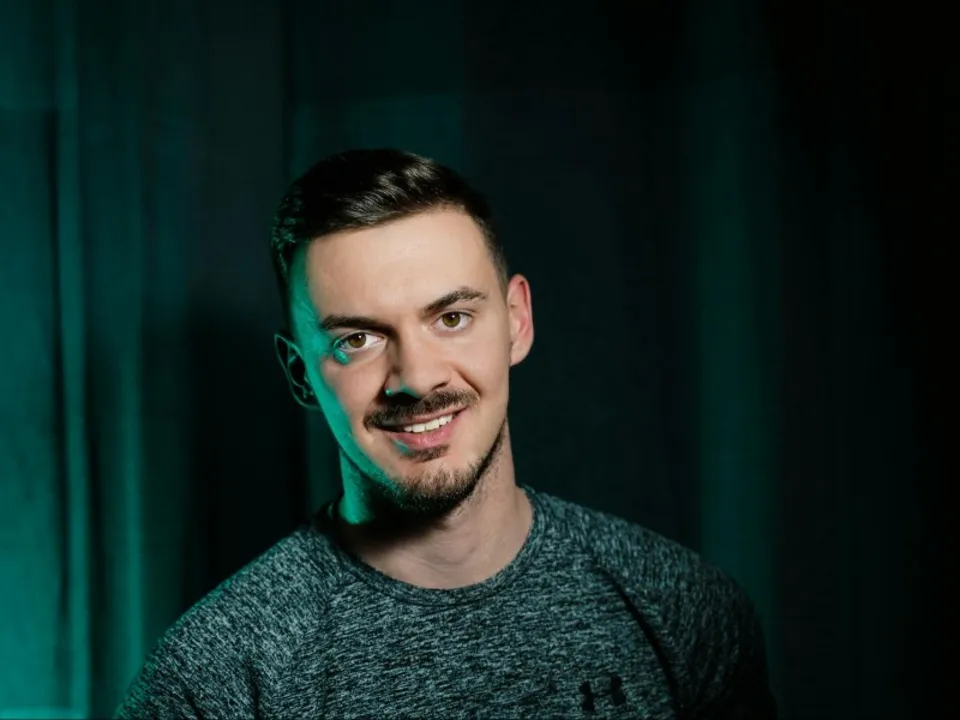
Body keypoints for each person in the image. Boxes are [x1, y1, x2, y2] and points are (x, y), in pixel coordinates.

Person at [115, 149, 777, 719]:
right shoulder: (213, 681)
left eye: (452, 318)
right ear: (299, 373)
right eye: (358, 339)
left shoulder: (684, 609)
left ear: (517, 321)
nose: (416, 378)